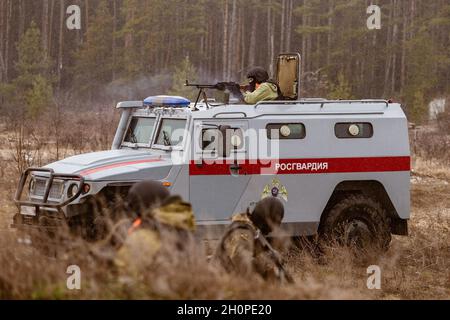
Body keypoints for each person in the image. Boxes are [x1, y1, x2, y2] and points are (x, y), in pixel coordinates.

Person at [113, 181, 197, 279]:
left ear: (140, 206)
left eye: (133, 204)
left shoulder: (142, 238)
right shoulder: (183, 227)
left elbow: (124, 275)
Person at [214, 197, 293, 283]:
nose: (273, 229)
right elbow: (243, 265)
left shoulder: (252, 231)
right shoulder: (242, 231)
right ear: (267, 219)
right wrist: (267, 261)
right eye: (274, 223)